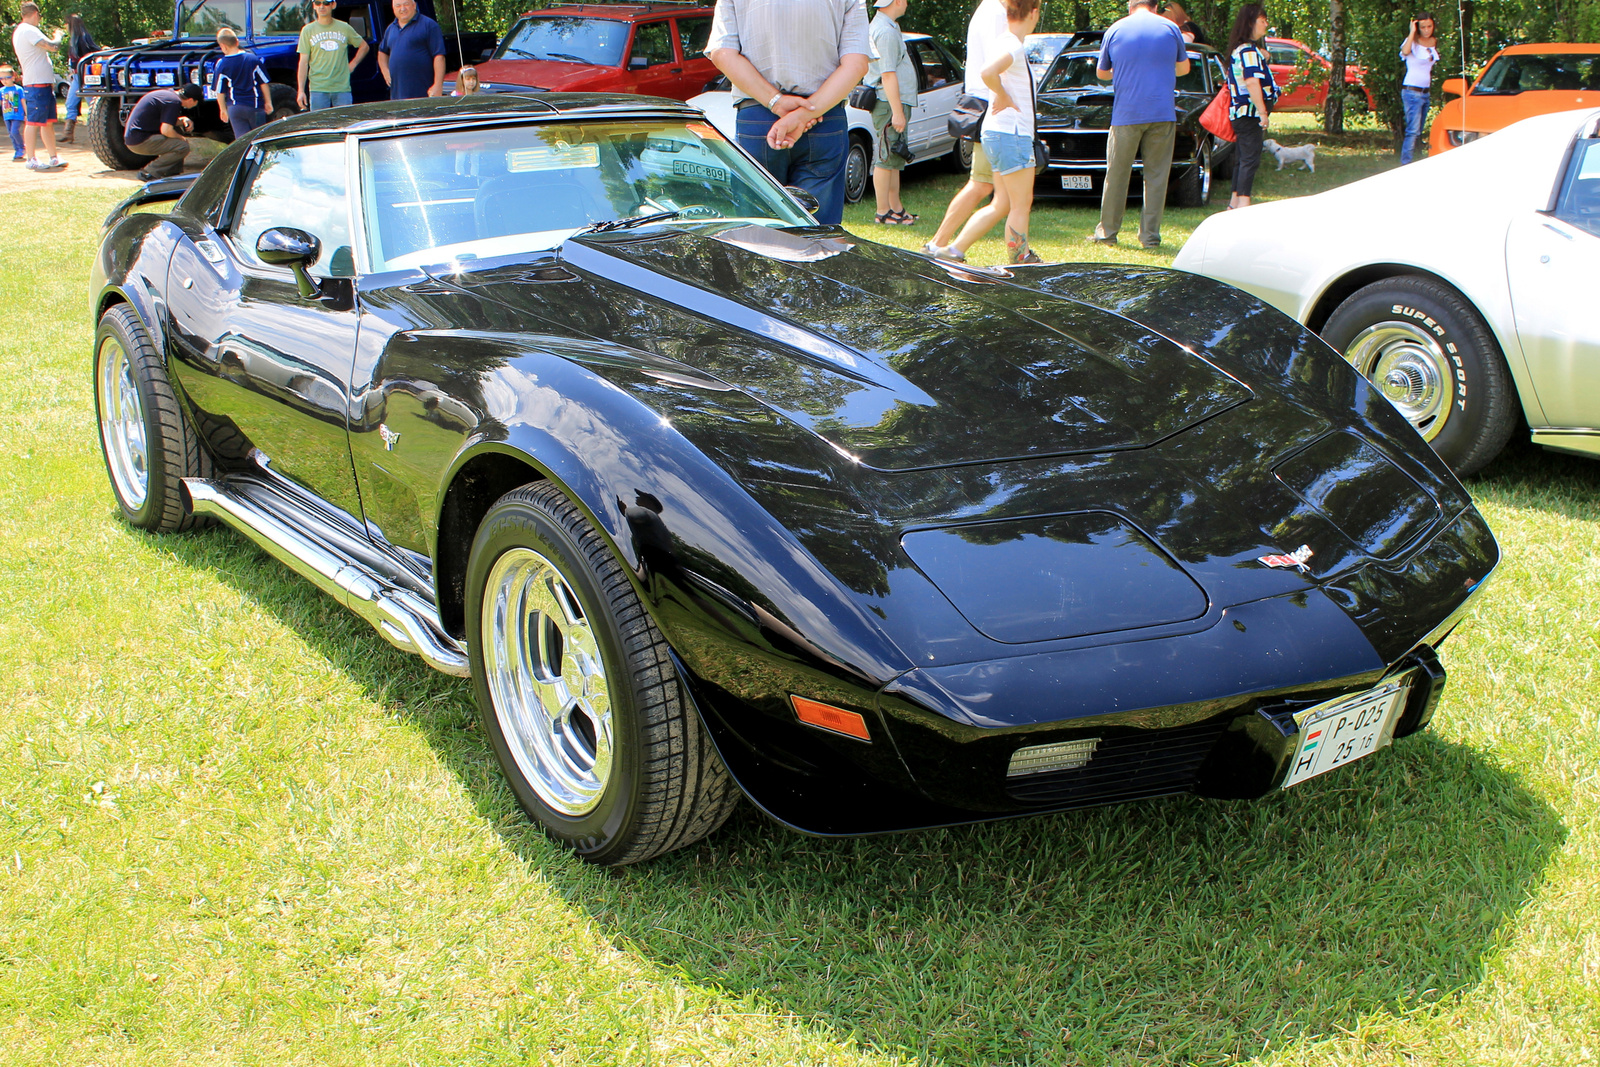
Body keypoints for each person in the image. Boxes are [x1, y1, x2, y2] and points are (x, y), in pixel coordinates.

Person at [706, 0, 871, 226]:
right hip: (823, 117)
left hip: (758, 115)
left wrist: (776, 102)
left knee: (757, 230)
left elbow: (722, 53)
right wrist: (805, 114)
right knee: (818, 232)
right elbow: (857, 63)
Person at [946, 0, 1042, 264]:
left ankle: (953, 250)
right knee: (1021, 204)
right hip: (1012, 135)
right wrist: (1002, 94)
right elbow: (988, 72)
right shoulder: (1012, 43)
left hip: (996, 134)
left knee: (1002, 203)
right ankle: (1020, 259)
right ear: (1033, 13)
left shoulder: (1003, 40)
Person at [1090, 0, 1189, 248]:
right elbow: (1184, 68)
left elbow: (1102, 73)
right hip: (1162, 111)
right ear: (1155, 7)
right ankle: (1150, 238)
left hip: (1126, 113)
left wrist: (1125, 70)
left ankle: (1108, 234)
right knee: (1156, 177)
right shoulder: (1170, 28)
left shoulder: (1115, 29)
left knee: (1117, 175)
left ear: (1129, 6)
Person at [924, 0, 1006, 257]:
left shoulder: (988, 10)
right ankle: (945, 245)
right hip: (992, 107)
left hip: (984, 105)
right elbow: (996, 67)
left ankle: (938, 244)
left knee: (983, 184)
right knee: (993, 187)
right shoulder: (996, 12)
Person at [866, 0, 917, 225]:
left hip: (894, 102)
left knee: (895, 155)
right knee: (885, 157)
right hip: (888, 103)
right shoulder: (885, 31)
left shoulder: (889, 26)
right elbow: (887, 74)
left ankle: (896, 208)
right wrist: (897, 112)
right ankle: (882, 211)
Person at [1223, 4, 1276, 209]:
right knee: (1250, 159)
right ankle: (1244, 205)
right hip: (1250, 113)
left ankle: (1234, 204)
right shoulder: (1249, 51)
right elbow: (1252, 81)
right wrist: (1263, 112)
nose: (1266, 24)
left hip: (1240, 112)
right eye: (1262, 20)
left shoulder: (1241, 50)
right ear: (1251, 22)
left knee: (1242, 158)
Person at [11, 2, 67, 172]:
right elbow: (53, 47)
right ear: (35, 13)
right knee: (33, 122)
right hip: (35, 84)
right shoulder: (28, 30)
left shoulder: (24, 30)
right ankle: (31, 159)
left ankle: (53, 157)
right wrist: (58, 35)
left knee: (46, 122)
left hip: (41, 83)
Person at [297, 0, 368, 111]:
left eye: (326, 3)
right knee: (320, 126)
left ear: (333, 5)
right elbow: (303, 62)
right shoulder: (307, 30)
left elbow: (364, 46)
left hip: (342, 89)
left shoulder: (344, 27)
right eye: (318, 3)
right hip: (318, 89)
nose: (322, 6)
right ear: (314, 6)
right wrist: (301, 90)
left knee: (344, 125)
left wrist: (352, 65)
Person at [123, 83, 202, 180]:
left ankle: (171, 174)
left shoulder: (168, 95)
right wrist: (182, 139)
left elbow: (164, 121)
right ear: (190, 100)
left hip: (134, 137)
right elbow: (166, 130)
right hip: (139, 141)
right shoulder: (174, 102)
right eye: (196, 102)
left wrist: (182, 120)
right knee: (182, 146)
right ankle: (148, 173)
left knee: (177, 131)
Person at [211, 27, 274, 138]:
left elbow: (219, 90)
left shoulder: (221, 64)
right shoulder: (253, 59)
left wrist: (223, 109)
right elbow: (263, 83)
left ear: (222, 46)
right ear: (237, 42)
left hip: (235, 108)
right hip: (255, 107)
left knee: (242, 141)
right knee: (260, 138)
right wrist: (268, 102)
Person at [378, 0, 445, 101]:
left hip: (423, 93)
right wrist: (385, 71)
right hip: (398, 96)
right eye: (398, 6)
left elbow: (439, 56)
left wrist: (438, 84)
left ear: (414, 5)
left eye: (406, 4)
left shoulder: (429, 25)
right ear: (393, 9)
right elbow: (382, 52)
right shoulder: (391, 29)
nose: (402, 8)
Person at [1400, 12, 1439, 164]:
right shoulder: (1412, 42)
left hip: (1425, 92)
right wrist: (1412, 32)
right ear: (1418, 27)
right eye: (1423, 27)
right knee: (1412, 131)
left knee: (1419, 130)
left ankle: (1414, 161)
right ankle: (1406, 163)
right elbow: (1405, 51)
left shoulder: (1434, 41)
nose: (1427, 30)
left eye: (1429, 26)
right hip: (1412, 91)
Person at [61, 13, 96, 143]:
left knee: (92, 105)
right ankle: (68, 132)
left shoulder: (82, 39)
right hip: (77, 76)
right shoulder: (74, 39)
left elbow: (92, 52)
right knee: (70, 102)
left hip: (85, 75)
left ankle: (96, 133)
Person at [2, 66, 24, 162]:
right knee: (11, 134)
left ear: (13, 77)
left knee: (14, 132)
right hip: (7, 115)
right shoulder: (1, 90)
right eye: (1, 78)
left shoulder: (18, 89)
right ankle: (17, 150)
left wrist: (27, 114)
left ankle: (21, 148)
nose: (4, 80)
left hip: (17, 115)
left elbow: (23, 101)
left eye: (7, 78)